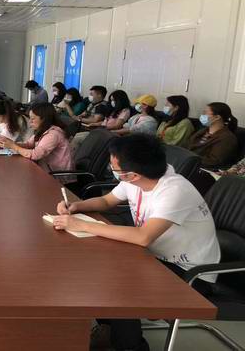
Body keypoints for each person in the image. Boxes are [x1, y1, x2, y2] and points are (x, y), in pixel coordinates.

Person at [52, 134, 220, 351]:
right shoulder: (136, 180)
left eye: (114, 167)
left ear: (133, 174)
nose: (111, 169)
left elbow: (143, 236)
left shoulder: (175, 191)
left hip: (189, 272)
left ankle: (131, 346)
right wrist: (77, 206)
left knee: (121, 284)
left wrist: (82, 225)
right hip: (153, 255)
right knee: (98, 268)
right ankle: (110, 329)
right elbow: (106, 201)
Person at [0, 103, 73, 174]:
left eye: (33, 119)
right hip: (46, 170)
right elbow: (29, 144)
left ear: (44, 119)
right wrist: (11, 143)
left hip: (57, 176)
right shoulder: (43, 130)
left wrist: (13, 146)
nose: (30, 122)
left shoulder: (53, 134)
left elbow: (35, 155)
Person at [188, 102, 239, 168]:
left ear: (217, 117)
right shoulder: (203, 131)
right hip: (189, 163)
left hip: (200, 168)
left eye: (205, 113)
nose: (202, 115)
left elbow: (213, 161)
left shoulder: (227, 138)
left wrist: (189, 159)